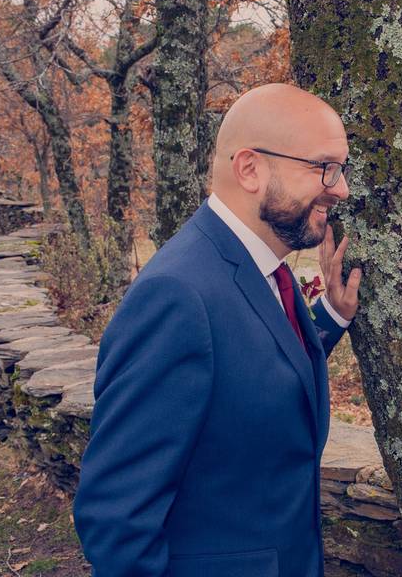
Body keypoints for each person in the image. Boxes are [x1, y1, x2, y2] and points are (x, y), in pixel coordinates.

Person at [73, 84, 362, 577]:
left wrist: (329, 319)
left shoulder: (265, 268)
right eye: (323, 168)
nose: (341, 189)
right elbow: (115, 517)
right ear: (250, 169)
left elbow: (252, 367)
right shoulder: (176, 296)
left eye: (341, 169)